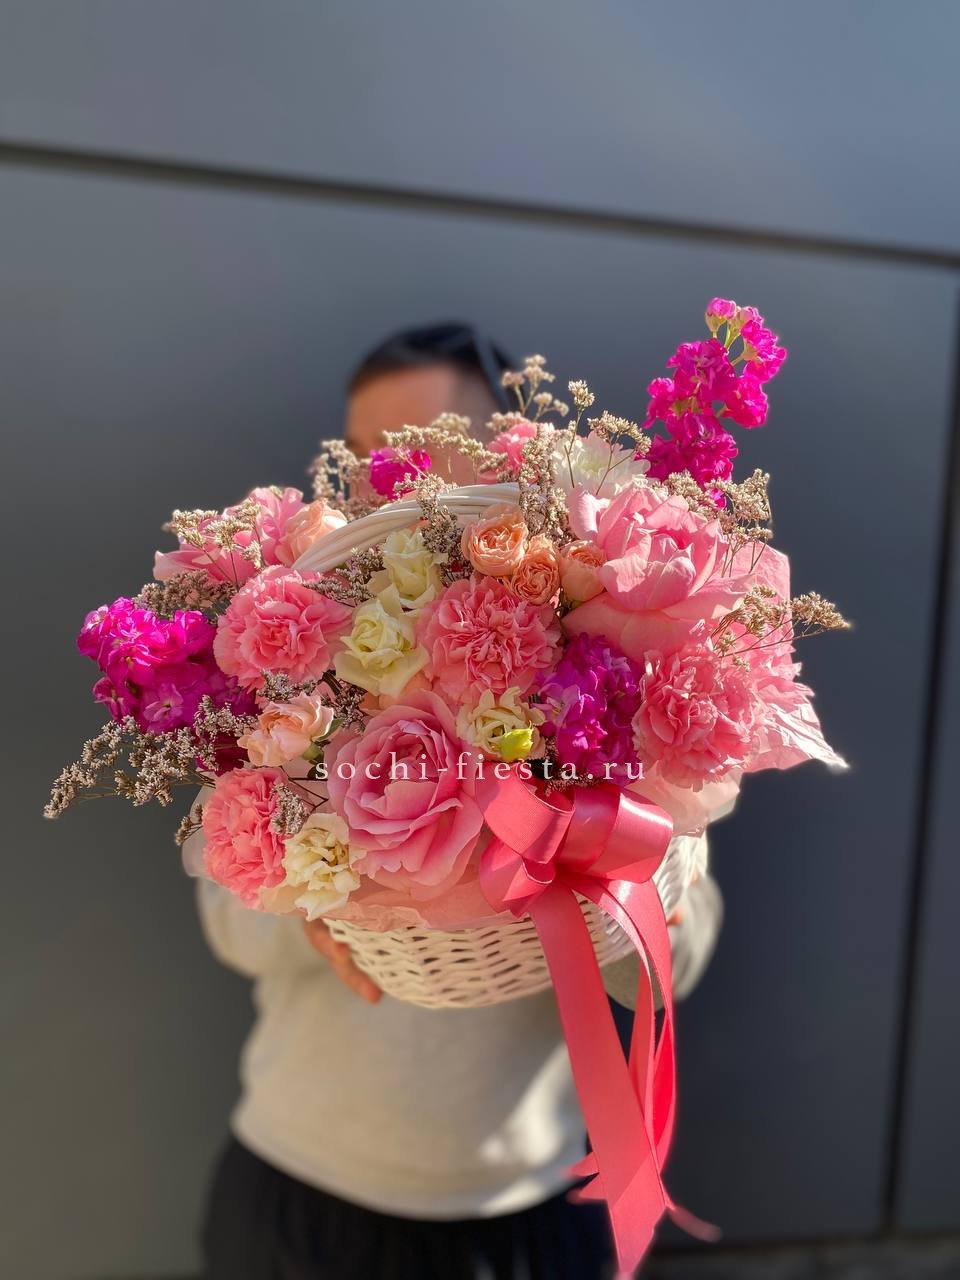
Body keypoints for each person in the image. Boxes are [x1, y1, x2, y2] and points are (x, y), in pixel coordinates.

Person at [198, 322, 724, 1280]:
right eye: (369, 456)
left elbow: (676, 963)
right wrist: (318, 898)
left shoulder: (609, 661)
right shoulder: (293, 652)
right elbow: (228, 927)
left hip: (527, 1206)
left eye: (430, 450)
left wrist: (611, 885)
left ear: (509, 452)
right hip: (304, 1184)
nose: (396, 483)